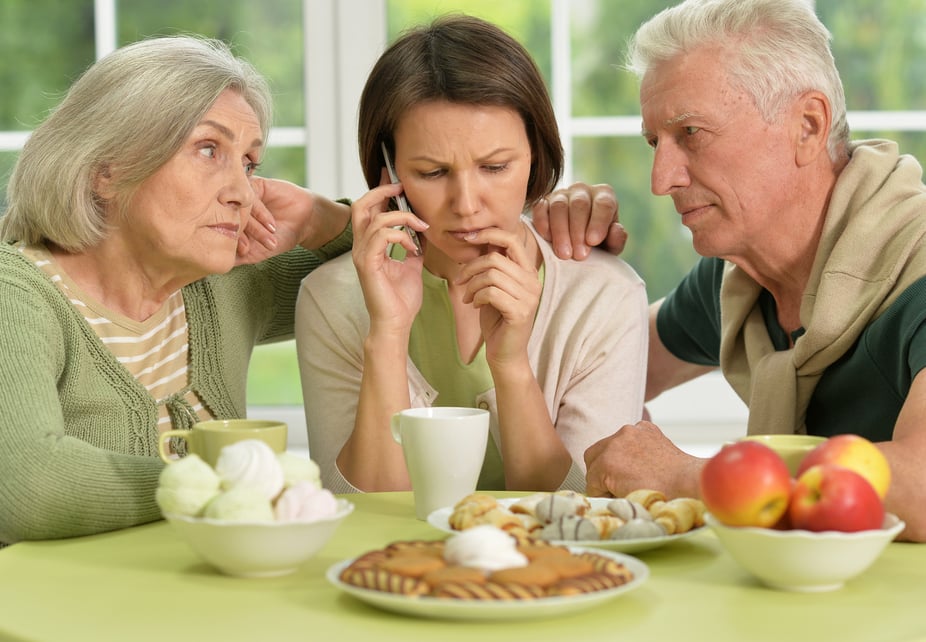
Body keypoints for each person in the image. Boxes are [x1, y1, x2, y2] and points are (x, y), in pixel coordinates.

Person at [577, 0, 926, 541]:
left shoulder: (917, 268)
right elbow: (585, 373)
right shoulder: (735, 279)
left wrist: (689, 477)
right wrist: (552, 257)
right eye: (654, 143)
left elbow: (920, 486)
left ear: (808, 127)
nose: (660, 179)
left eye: (690, 132)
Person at [0, 35, 356, 543]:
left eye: (249, 163)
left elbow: (403, 259)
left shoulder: (224, 284)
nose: (241, 192)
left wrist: (325, 218)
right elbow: (26, 487)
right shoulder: (14, 293)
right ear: (108, 170)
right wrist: (237, 487)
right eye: (209, 150)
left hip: (205, 603)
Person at [295, 15, 648, 494]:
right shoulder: (332, 298)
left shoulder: (604, 296)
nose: (466, 204)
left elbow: (586, 511)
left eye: (495, 167)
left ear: (536, 158)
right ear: (389, 170)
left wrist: (513, 368)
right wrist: (387, 336)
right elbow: (359, 515)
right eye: (432, 172)